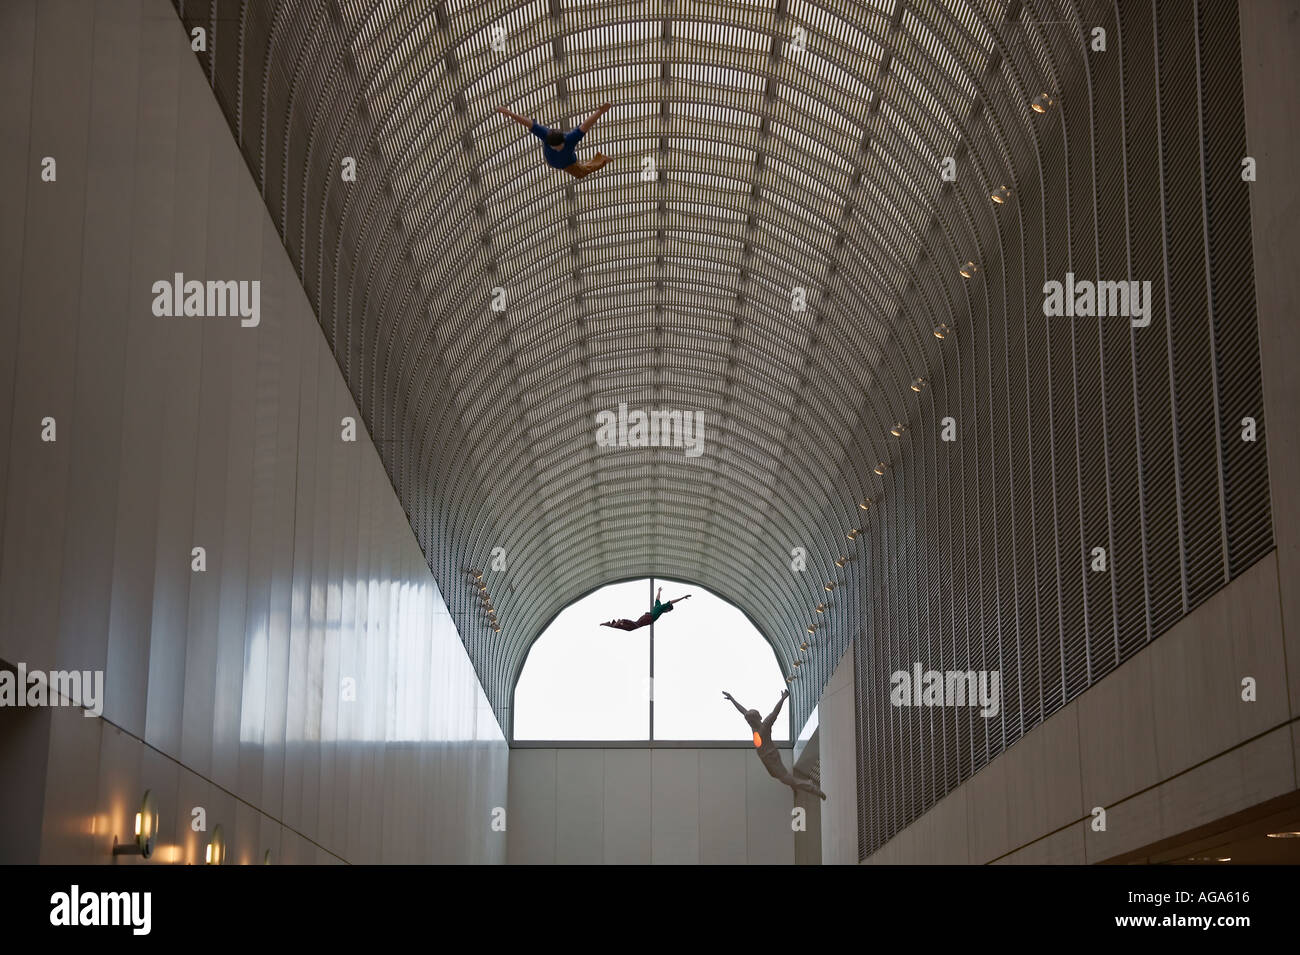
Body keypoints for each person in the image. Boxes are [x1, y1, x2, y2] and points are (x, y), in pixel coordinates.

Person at [723, 688, 826, 800]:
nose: (748, 721)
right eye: (748, 721)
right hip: (766, 758)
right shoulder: (754, 725)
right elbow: (743, 711)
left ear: (758, 718)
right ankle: (794, 786)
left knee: (784, 777)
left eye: (750, 720)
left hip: (771, 757)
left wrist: (782, 698)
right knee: (779, 776)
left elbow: (775, 712)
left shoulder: (764, 726)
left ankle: (811, 787)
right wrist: (732, 699)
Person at [496, 103, 613, 178]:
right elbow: (527, 123)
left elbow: (585, 125)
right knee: (580, 172)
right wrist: (510, 113)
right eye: (554, 147)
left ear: (563, 140)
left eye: (559, 146)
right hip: (552, 161)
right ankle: (600, 159)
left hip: (568, 164)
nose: (557, 149)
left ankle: (602, 159)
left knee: (581, 173)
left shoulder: (570, 139)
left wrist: (600, 111)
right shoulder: (545, 134)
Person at [601, 586, 690, 631]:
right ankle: (622, 621)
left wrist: (659, 591)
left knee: (632, 627)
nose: (667, 612)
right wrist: (682, 598)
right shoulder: (662, 607)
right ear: (667, 609)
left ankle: (613, 623)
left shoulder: (658, 605)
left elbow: (657, 598)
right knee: (634, 626)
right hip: (648, 618)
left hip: (646, 617)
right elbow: (672, 602)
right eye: (668, 611)